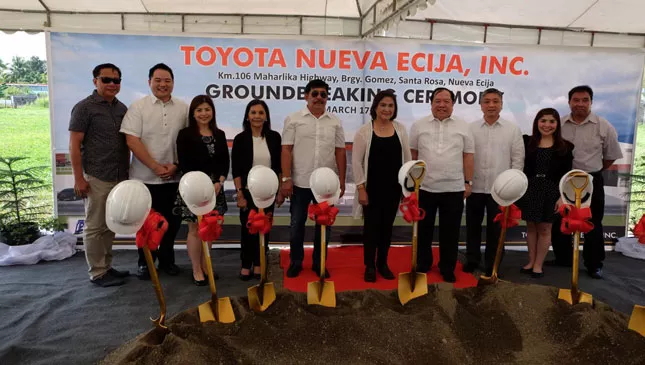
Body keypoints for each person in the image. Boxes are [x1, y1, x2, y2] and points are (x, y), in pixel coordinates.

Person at [120, 63, 188, 280]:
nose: (163, 84)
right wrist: (155, 166)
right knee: (146, 224)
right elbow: (132, 140)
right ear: (149, 82)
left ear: (173, 83)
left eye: (167, 80)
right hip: (144, 178)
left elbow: (189, 141)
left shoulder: (184, 108)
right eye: (158, 80)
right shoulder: (138, 107)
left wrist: (176, 165)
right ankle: (145, 262)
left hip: (174, 178)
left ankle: (167, 260)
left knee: (172, 223)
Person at [549, 85, 623, 279]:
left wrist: (592, 172)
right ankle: (563, 258)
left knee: (592, 222)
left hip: (591, 180)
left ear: (591, 102)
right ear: (569, 102)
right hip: (563, 180)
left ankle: (594, 264)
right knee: (560, 220)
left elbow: (610, 156)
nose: (580, 104)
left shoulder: (603, 125)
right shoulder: (560, 124)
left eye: (585, 100)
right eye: (576, 100)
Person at [68, 63, 130, 287]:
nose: (112, 84)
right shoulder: (84, 108)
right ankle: (97, 272)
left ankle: (107, 267)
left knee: (109, 224)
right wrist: (78, 178)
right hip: (96, 175)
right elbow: (74, 145)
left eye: (116, 80)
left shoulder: (122, 108)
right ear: (95, 81)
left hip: (119, 176)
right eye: (106, 80)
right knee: (94, 226)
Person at [280, 79, 347, 278]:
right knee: (296, 224)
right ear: (306, 96)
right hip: (300, 182)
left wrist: (341, 181)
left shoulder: (335, 121)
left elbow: (340, 152)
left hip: (326, 184)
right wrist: (286, 178)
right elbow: (286, 149)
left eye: (323, 94)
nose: (319, 98)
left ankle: (320, 263)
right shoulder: (293, 119)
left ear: (327, 98)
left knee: (324, 226)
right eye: (315, 94)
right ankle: (296, 262)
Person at [409, 87, 474, 283]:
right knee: (423, 230)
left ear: (453, 104)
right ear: (431, 103)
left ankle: (447, 267)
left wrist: (467, 182)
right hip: (425, 188)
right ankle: (423, 263)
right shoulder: (419, 125)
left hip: (454, 188)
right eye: (438, 101)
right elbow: (413, 154)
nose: (442, 105)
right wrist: (412, 184)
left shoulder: (463, 127)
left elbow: (468, 156)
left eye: (446, 101)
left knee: (450, 232)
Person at [352, 89, 411, 282]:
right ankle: (369, 265)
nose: (386, 109)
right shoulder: (364, 131)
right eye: (383, 105)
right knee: (371, 229)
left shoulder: (401, 129)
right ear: (376, 107)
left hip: (393, 189)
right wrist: (361, 188)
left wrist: (407, 188)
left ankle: (382, 263)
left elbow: (408, 160)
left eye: (390, 106)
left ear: (394, 109)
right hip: (371, 190)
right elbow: (356, 162)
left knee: (387, 228)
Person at [464, 88, 524, 274]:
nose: (491, 105)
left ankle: (493, 263)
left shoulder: (512, 130)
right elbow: (464, 156)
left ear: (501, 104)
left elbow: (518, 160)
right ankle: (472, 260)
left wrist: (513, 187)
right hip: (475, 187)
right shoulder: (470, 128)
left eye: (495, 101)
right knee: (472, 227)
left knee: (496, 230)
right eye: (487, 101)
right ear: (481, 105)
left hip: (500, 191)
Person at [175, 95, 229, 286]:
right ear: (193, 113)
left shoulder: (220, 134)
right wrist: (202, 185)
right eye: (199, 110)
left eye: (207, 109)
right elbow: (184, 163)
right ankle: (196, 269)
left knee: (210, 228)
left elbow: (225, 162)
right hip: (193, 189)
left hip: (215, 189)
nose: (203, 113)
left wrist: (220, 182)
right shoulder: (185, 135)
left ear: (212, 111)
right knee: (195, 229)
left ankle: (206, 266)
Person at [516, 108, 574, 278]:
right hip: (530, 189)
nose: (547, 125)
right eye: (543, 120)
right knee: (531, 227)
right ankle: (531, 261)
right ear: (537, 123)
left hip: (552, 192)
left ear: (557, 124)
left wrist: (562, 197)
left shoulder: (565, 147)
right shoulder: (527, 143)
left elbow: (567, 176)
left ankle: (538, 265)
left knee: (545, 229)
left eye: (551, 121)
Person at [231, 99, 282, 281]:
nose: (257, 116)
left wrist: (281, 190)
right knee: (248, 229)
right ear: (247, 116)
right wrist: (239, 193)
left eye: (261, 113)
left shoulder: (275, 137)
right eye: (253, 112)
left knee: (264, 228)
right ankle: (246, 264)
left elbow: (278, 166)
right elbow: (236, 169)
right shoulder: (240, 139)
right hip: (247, 192)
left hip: (269, 191)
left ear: (266, 116)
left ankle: (260, 262)